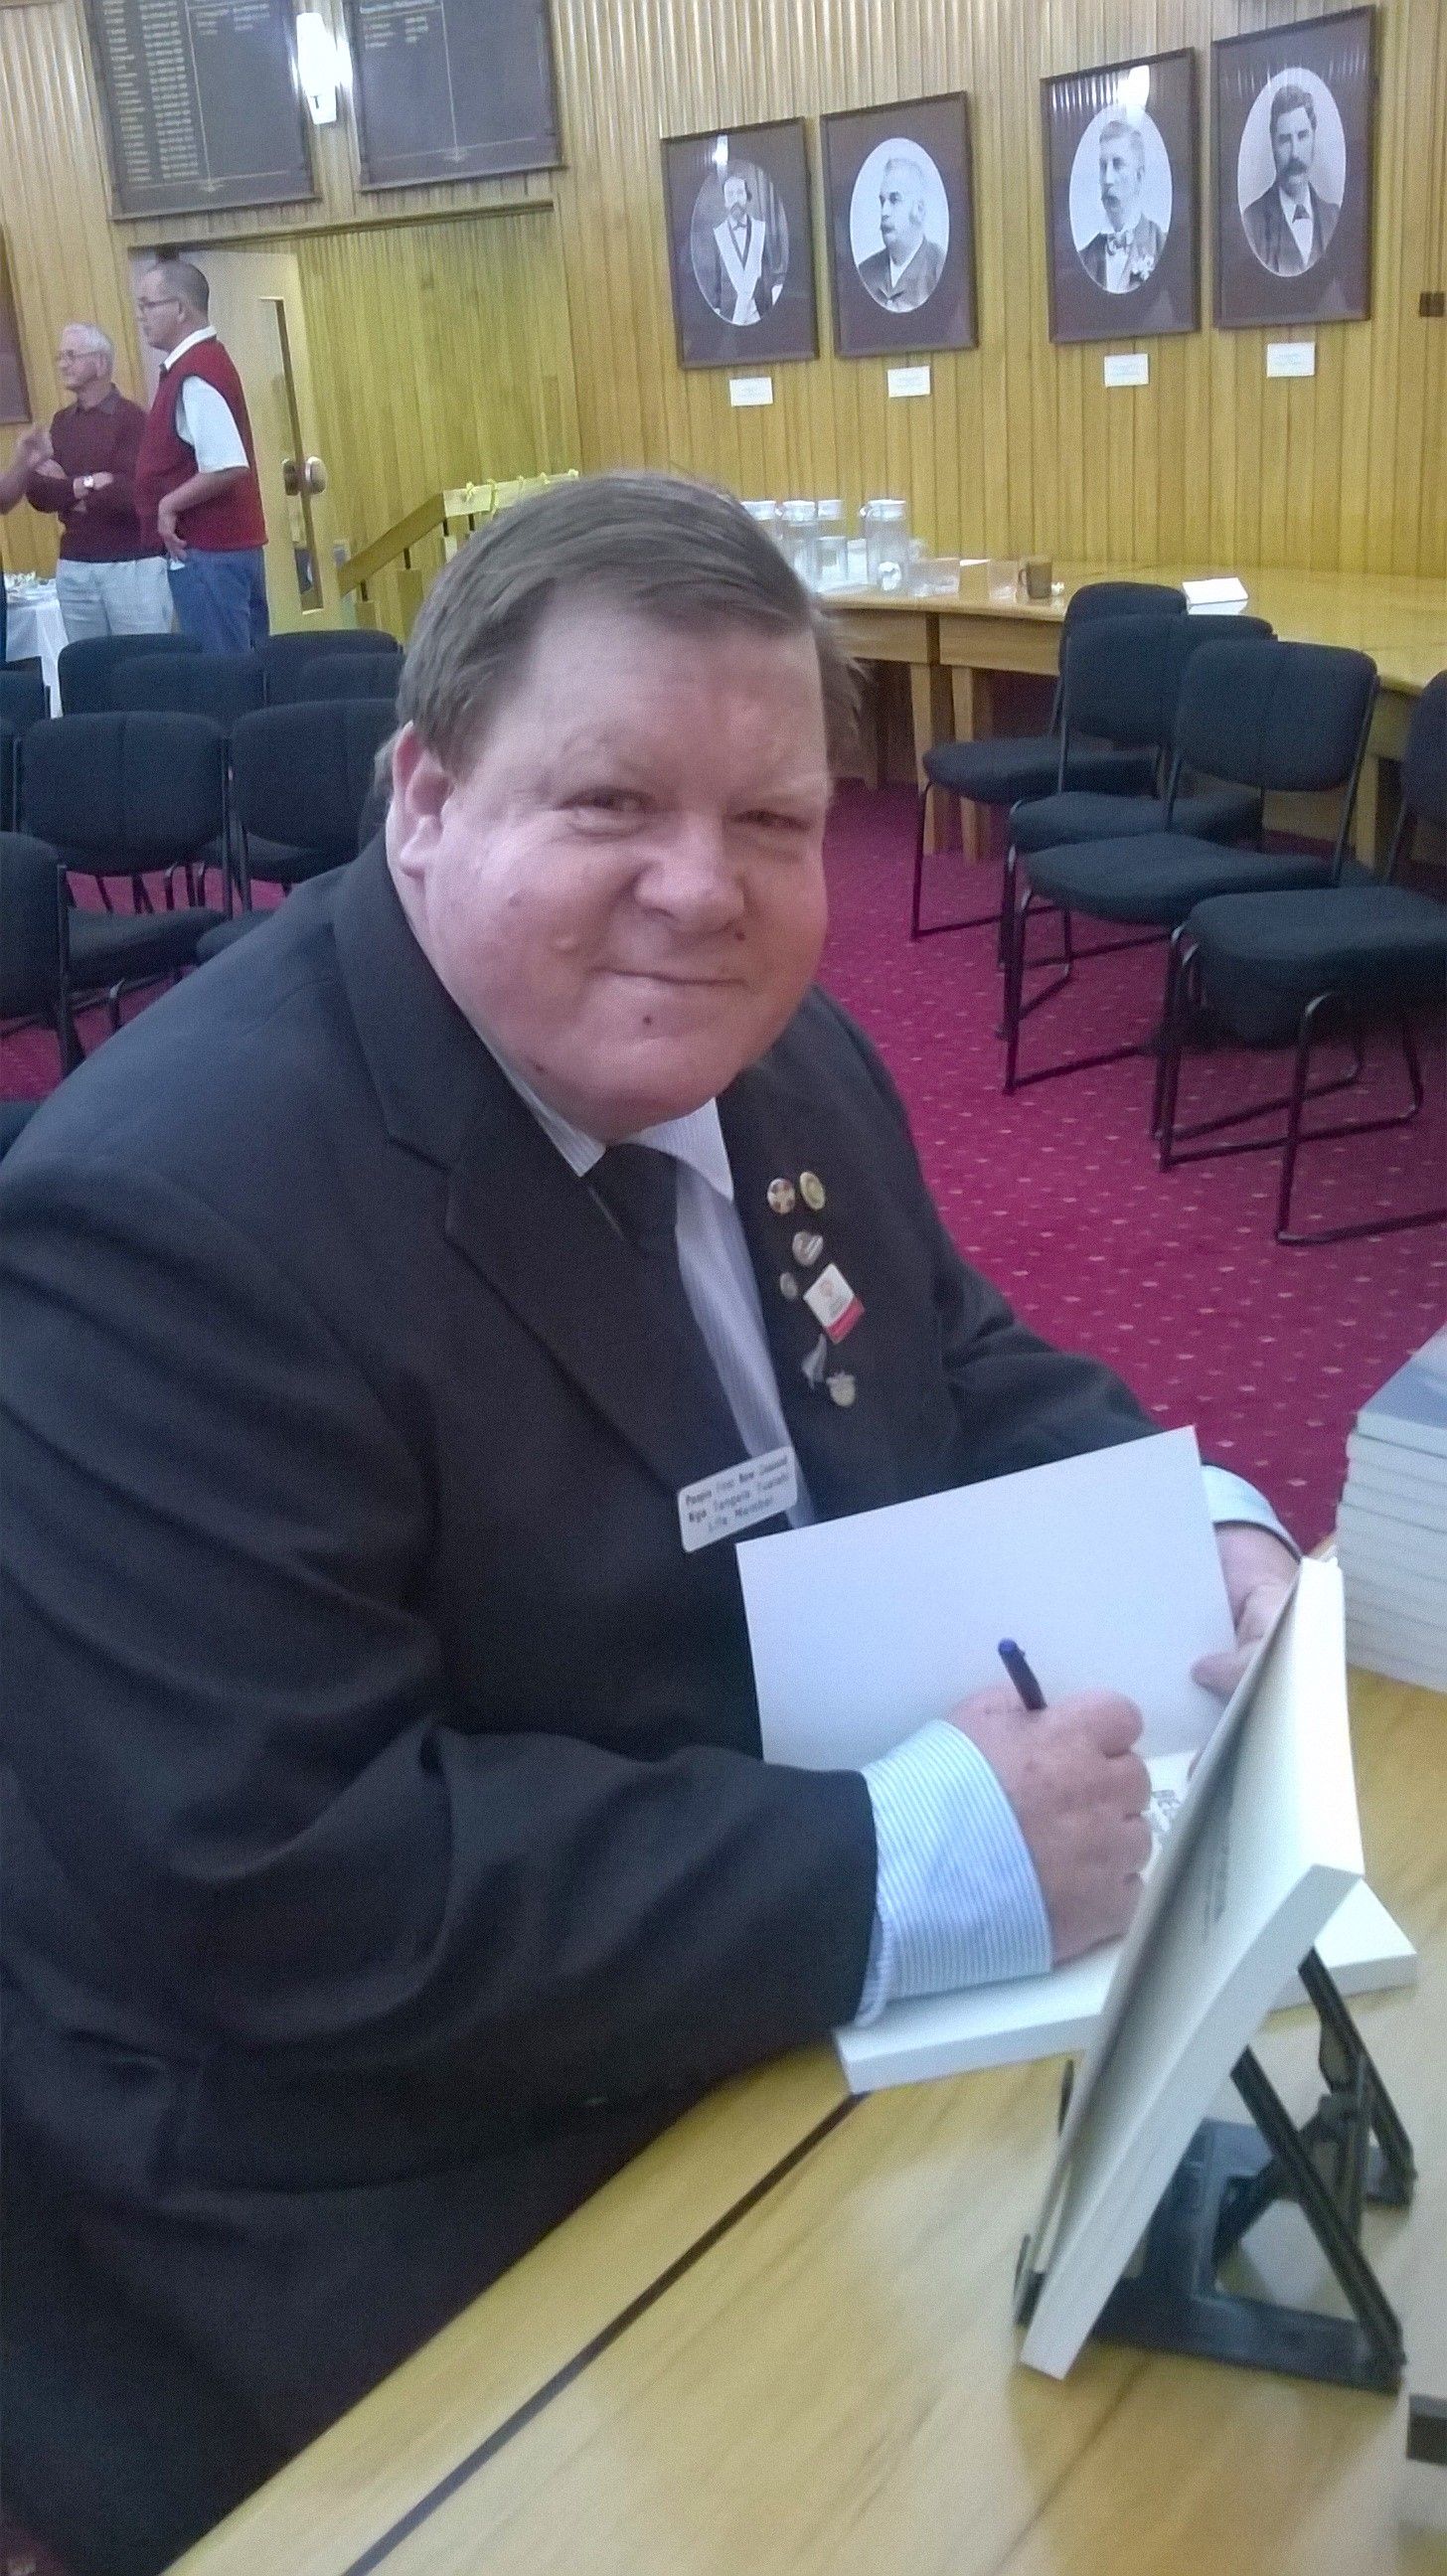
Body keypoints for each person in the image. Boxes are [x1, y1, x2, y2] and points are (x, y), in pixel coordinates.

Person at [0, 473, 1296, 2574]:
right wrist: (915, 1856)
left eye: (774, 820)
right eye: (608, 804)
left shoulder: (787, 1067)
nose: (703, 889)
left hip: (738, 1954)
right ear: (421, 799)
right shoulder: (165, 1227)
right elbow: (287, 1892)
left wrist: (1204, 1526)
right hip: (353, 2147)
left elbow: (951, 1365)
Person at [2, 324, 172, 643]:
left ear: (101, 363)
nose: (63, 364)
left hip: (131, 564)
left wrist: (67, 487)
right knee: (88, 669)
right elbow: (38, 492)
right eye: (60, 357)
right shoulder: (61, 423)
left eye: (72, 355)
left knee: (144, 665)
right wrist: (87, 485)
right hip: (76, 566)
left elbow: (135, 495)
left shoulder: (135, 420)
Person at [132, 257, 268, 652]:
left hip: (212, 552)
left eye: (148, 305)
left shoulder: (195, 371)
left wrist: (167, 505)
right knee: (240, 667)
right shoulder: (203, 362)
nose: (141, 316)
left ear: (179, 308)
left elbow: (226, 463)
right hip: (223, 550)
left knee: (223, 676)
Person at [1242, 82, 1340, 276]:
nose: (1295, 153)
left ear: (1313, 137)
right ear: (1273, 144)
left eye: (1302, 136)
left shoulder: (1333, 216)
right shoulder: (1252, 223)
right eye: (1285, 140)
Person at [1078, 119, 1164, 292]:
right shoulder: (1085, 258)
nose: (1108, 179)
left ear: (1139, 177)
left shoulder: (1161, 245)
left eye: (1118, 165)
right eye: (1103, 166)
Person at [857, 155, 945, 311]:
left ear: (919, 209)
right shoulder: (865, 273)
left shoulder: (939, 269)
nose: (884, 212)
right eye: (882, 201)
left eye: (895, 199)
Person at [701, 170, 780, 325]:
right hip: (731, 316)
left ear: (747, 196)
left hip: (760, 312)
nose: (735, 199)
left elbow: (769, 274)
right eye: (730, 195)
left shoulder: (761, 230)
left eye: (739, 192)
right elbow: (714, 282)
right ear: (724, 201)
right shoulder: (718, 235)